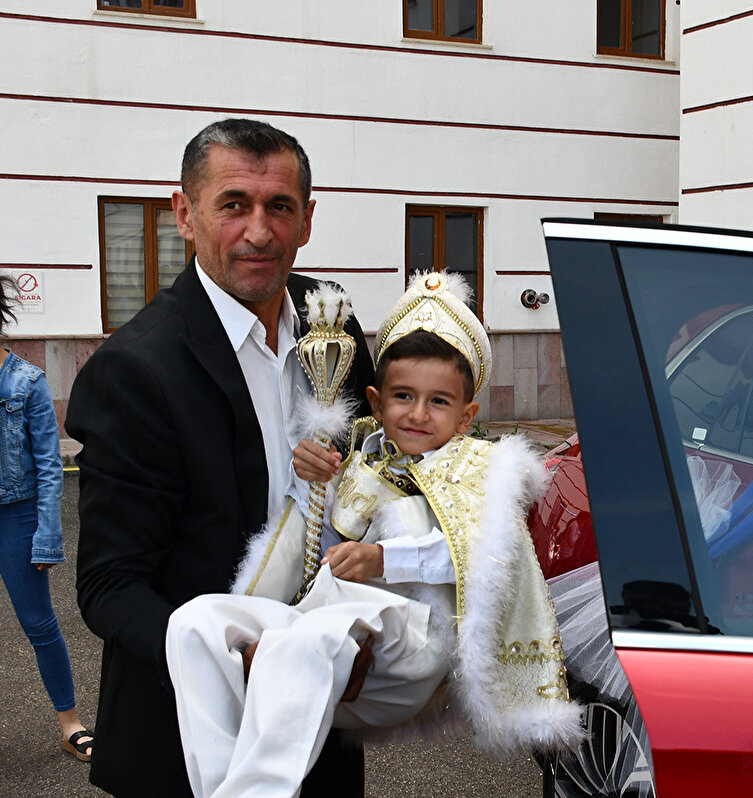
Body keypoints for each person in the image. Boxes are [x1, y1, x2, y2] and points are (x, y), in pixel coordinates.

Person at [166, 271, 585, 797]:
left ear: (466, 416)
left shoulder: (479, 469)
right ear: (376, 400)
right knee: (195, 623)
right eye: (403, 396)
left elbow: (480, 555)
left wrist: (384, 559)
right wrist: (311, 483)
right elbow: (313, 544)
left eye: (439, 401)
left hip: (414, 639)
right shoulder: (361, 460)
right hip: (331, 615)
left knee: (310, 641)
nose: (417, 414)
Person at [65, 118, 375, 797]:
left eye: (279, 207)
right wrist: (236, 657)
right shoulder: (136, 371)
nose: (259, 232)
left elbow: (369, 487)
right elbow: (111, 588)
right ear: (185, 214)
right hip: (187, 738)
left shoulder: (334, 324)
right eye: (233, 204)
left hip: (322, 725)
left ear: (308, 219)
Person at [0, 275, 94, 762]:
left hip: (16, 517)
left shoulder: (27, 381)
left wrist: (46, 538)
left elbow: (49, 467)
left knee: (39, 624)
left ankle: (70, 722)